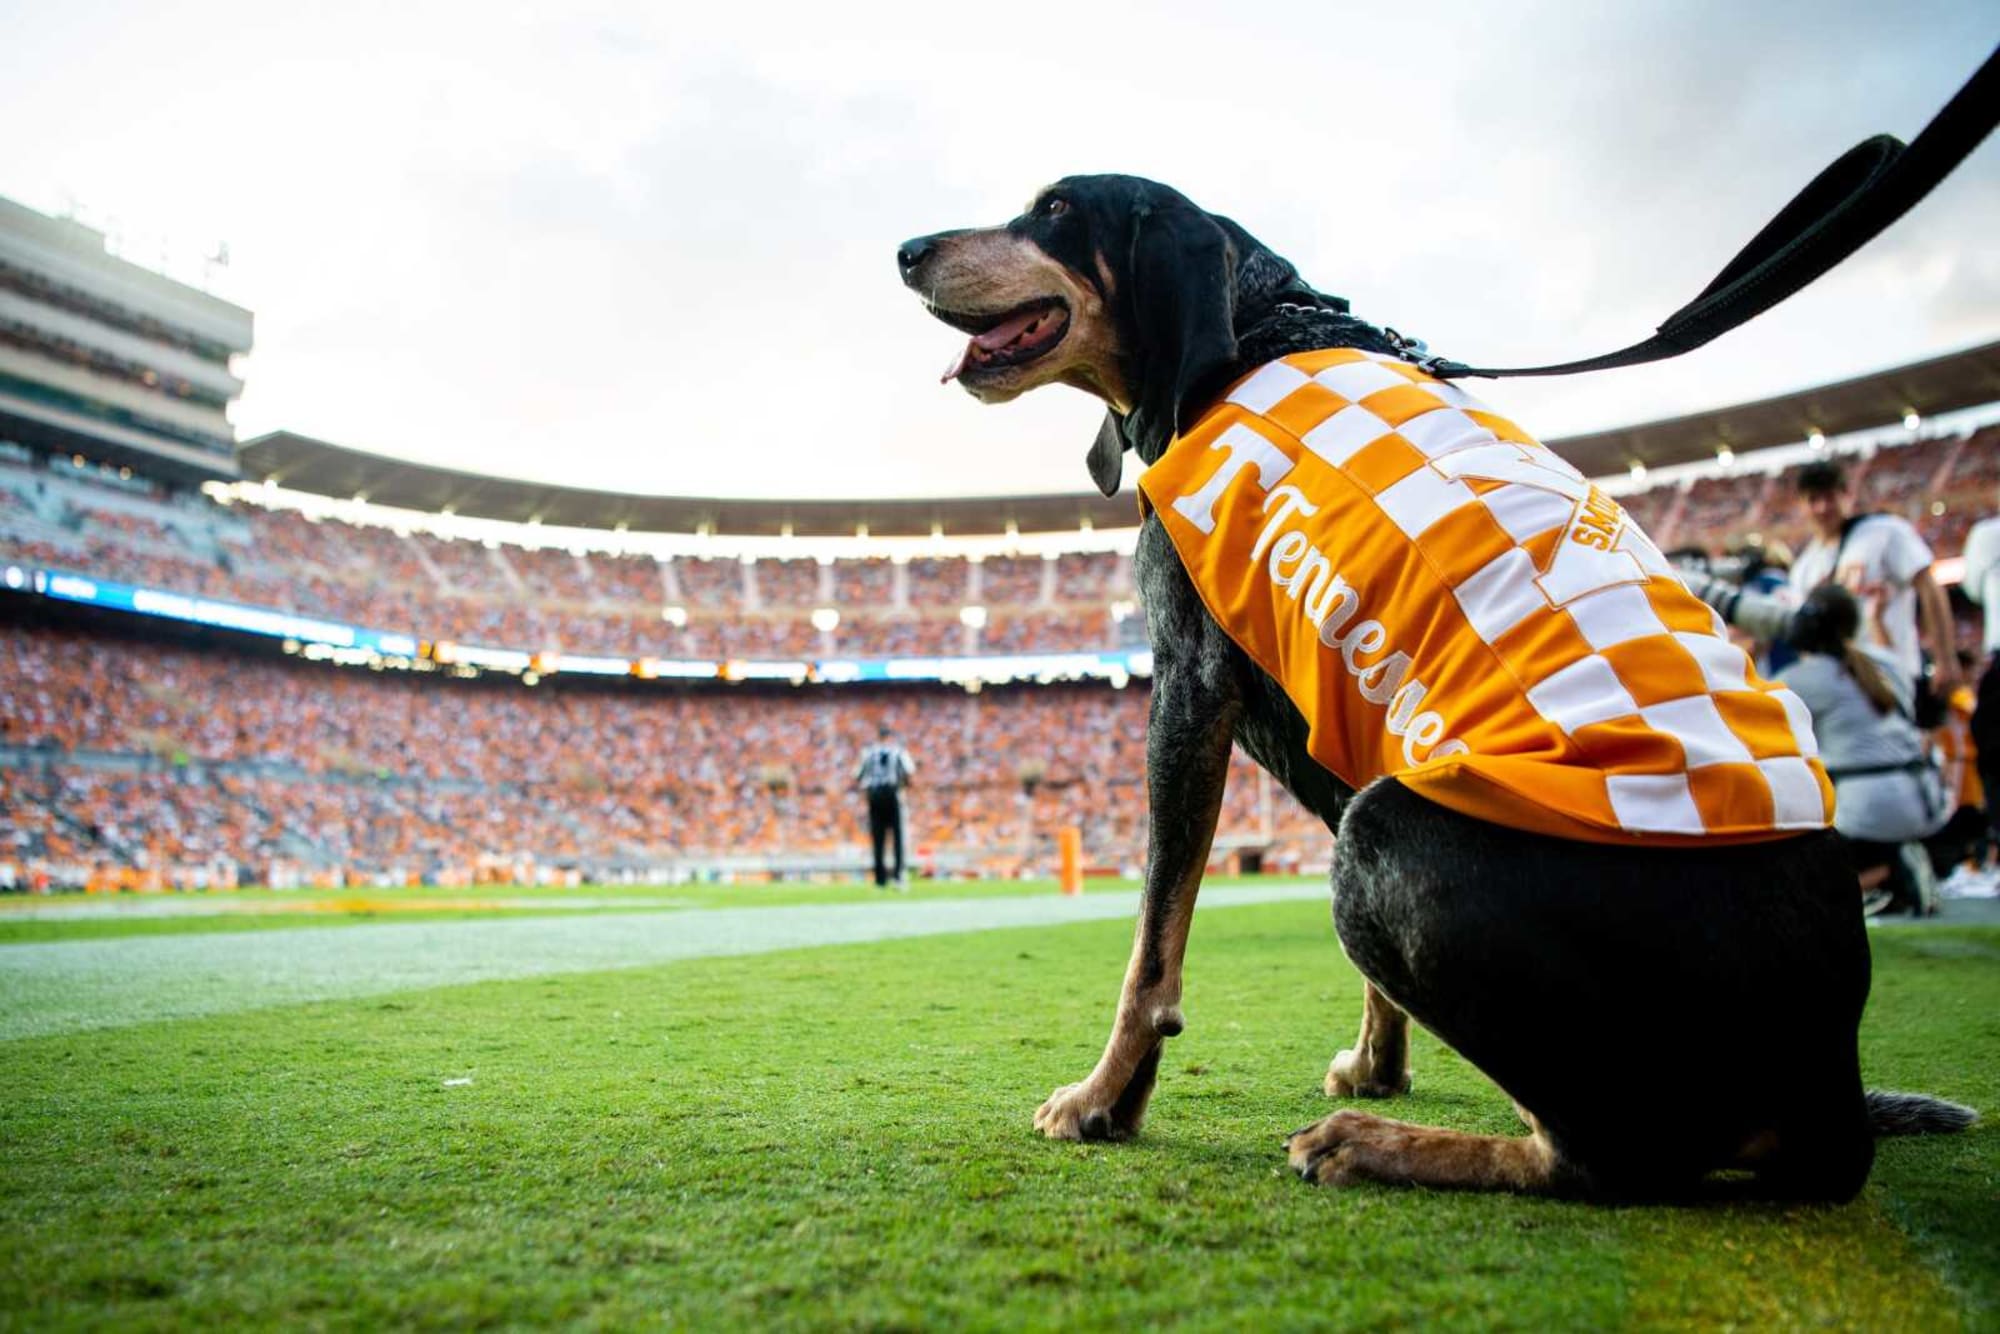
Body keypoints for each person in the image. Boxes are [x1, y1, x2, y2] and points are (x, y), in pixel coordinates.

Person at [1694, 575, 1947, 915]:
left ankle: (1892, 871)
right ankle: (1894, 869)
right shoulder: (1887, 663)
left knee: (1801, 881)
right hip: (1924, 795)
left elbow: (1735, 726)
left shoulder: (1805, 679)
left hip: (1866, 807)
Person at [1789, 458, 1958, 704]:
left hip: (1896, 677)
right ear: (1801, 504)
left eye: (1830, 497)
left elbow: (1928, 587)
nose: (1823, 507)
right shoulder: (1803, 568)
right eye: (1813, 499)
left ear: (1846, 494)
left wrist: (1945, 659)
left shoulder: (1882, 531)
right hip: (1841, 691)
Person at [854, 723, 915, 889]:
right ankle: (898, 876)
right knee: (898, 837)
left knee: (878, 838)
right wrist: (905, 786)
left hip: (874, 796)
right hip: (892, 794)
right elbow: (909, 772)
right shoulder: (898, 751)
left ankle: (880, 879)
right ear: (890, 737)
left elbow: (858, 775)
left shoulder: (868, 753)